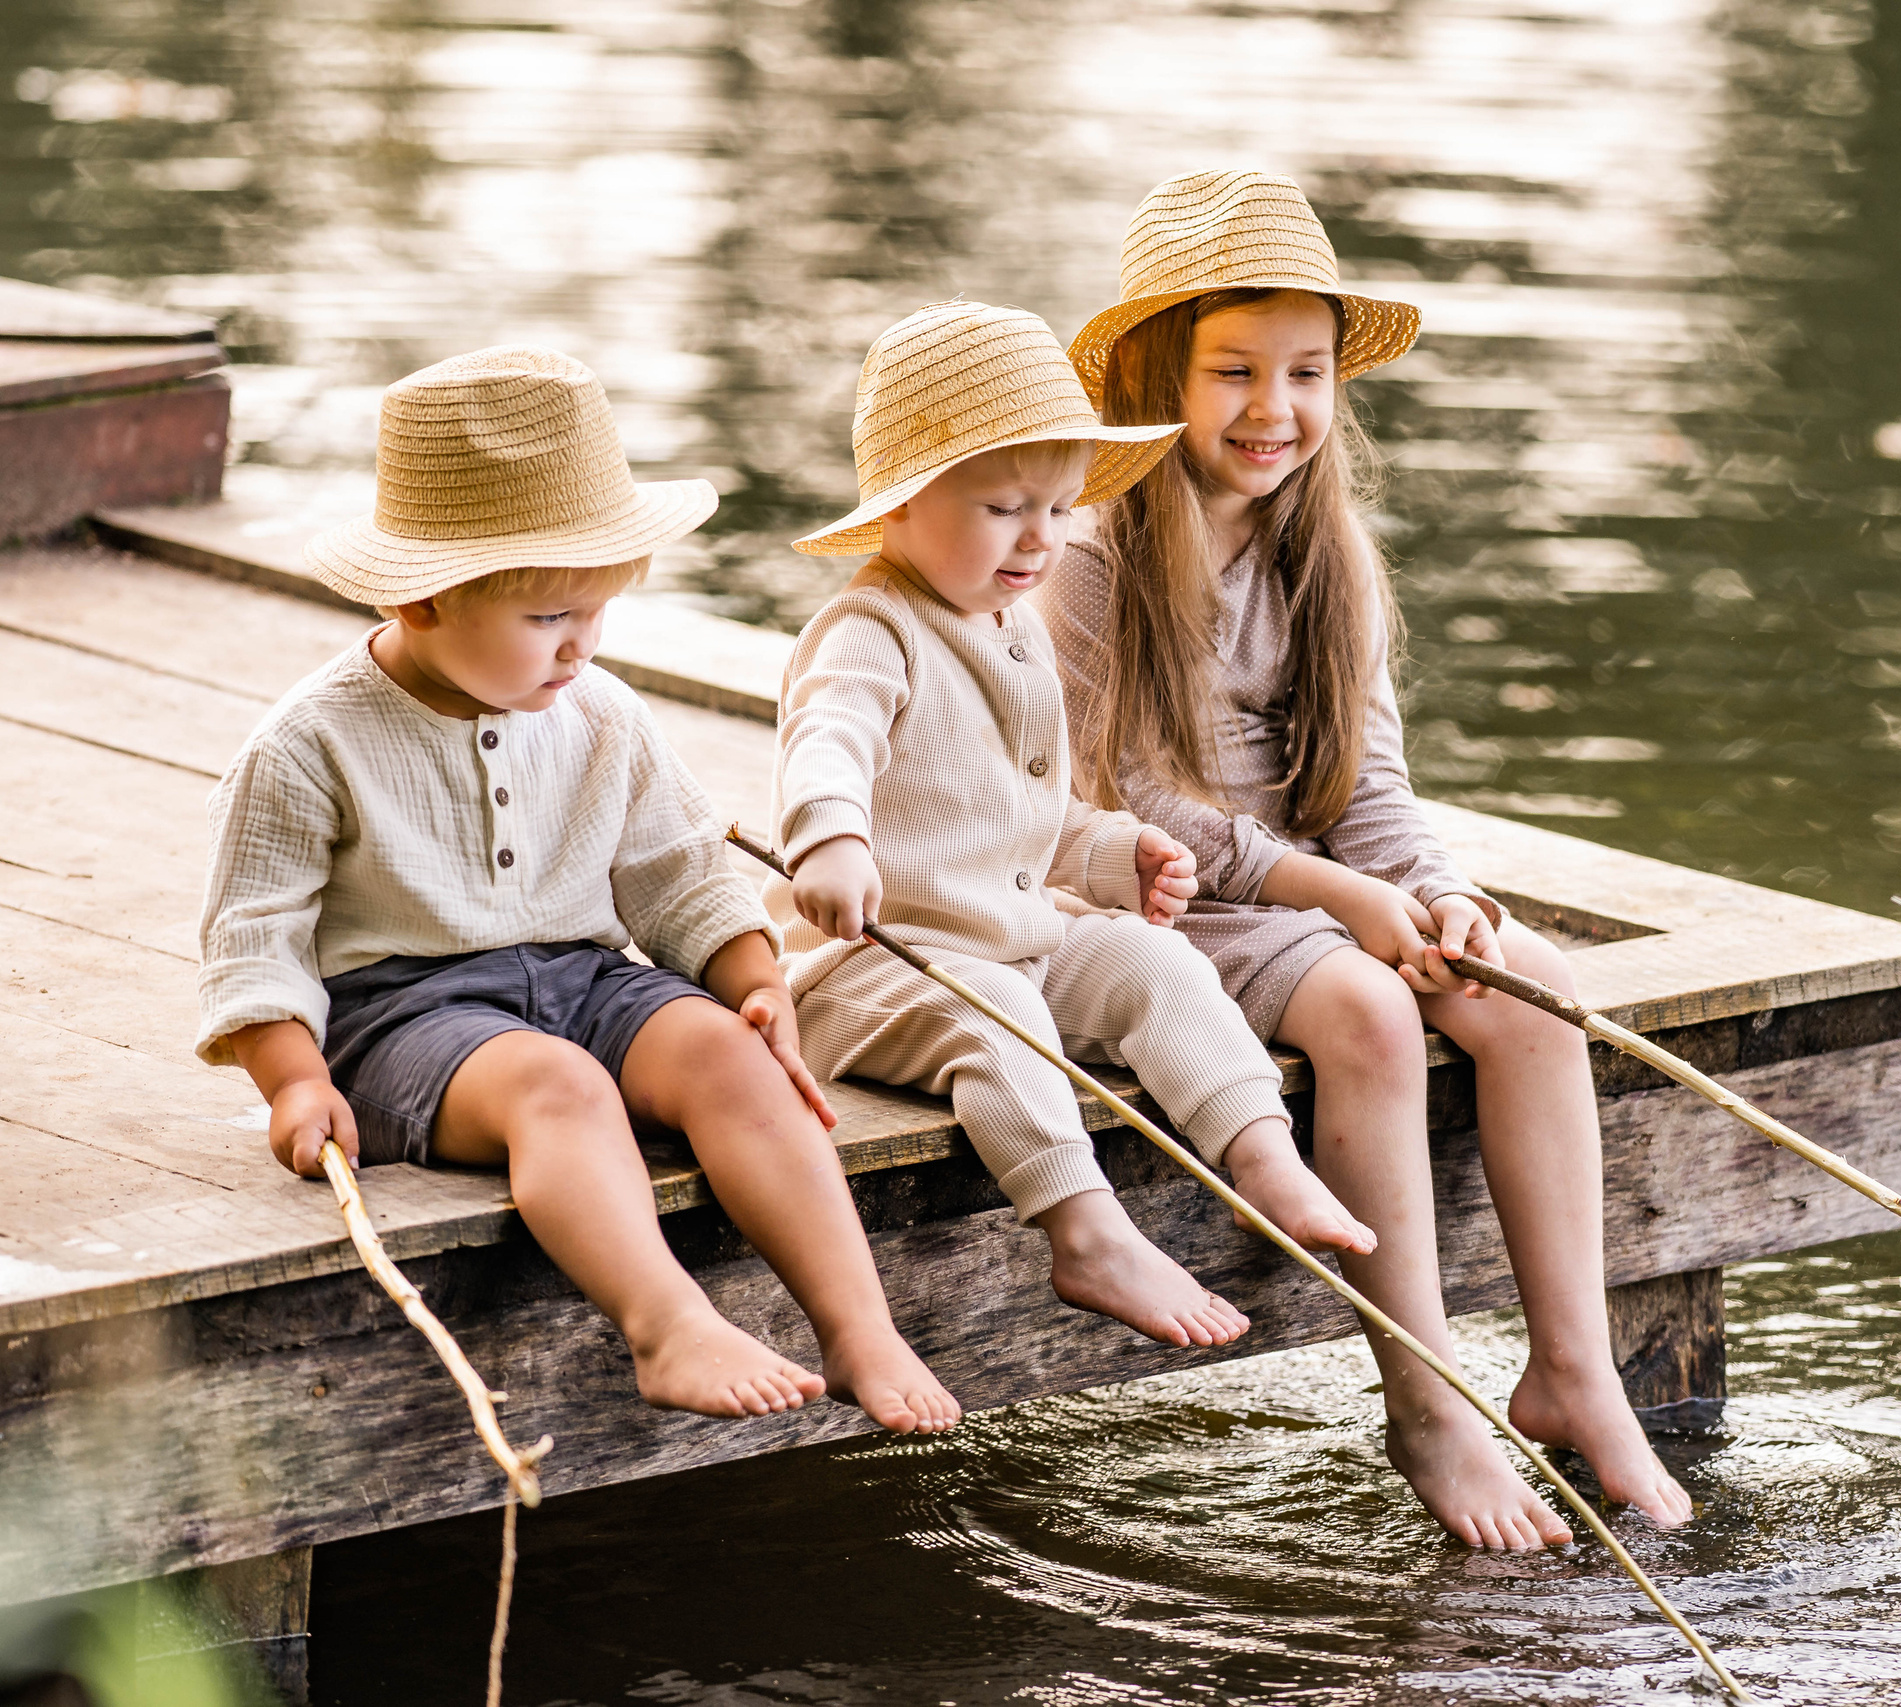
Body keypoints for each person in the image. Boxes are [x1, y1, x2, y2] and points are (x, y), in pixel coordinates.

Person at [1047, 171, 1694, 1547]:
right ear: (1157, 374)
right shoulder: (1091, 555)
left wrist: (1436, 893)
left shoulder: (1323, 545)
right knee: (1366, 1012)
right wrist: (1336, 895)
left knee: (1529, 983)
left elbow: (1371, 790)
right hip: (1158, 893)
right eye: (1233, 370)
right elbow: (1136, 798)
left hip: (1312, 884)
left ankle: (1573, 1370)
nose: (1273, 408)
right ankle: (1426, 1402)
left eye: (1305, 372)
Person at [199, 345, 958, 1433]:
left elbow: (678, 873)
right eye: (548, 618)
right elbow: (255, 939)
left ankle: (859, 1326)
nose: (579, 648)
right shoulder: (309, 742)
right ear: (423, 598)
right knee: (559, 1086)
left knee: (729, 1058)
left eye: (595, 613)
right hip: (407, 1015)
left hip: (585, 977)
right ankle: (666, 1323)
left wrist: (753, 982)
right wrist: (293, 1079)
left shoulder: (604, 713)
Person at [774, 300, 1374, 1351]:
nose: (1041, 537)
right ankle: (1086, 1231)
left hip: (1011, 938)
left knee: (1157, 962)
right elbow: (829, 741)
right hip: (874, 969)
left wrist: (1109, 855)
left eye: (1058, 507)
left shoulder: (1013, 630)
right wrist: (830, 838)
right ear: (901, 507)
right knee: (996, 1013)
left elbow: (1025, 816)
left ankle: (1262, 1154)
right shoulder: (870, 631)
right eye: (1005, 507)